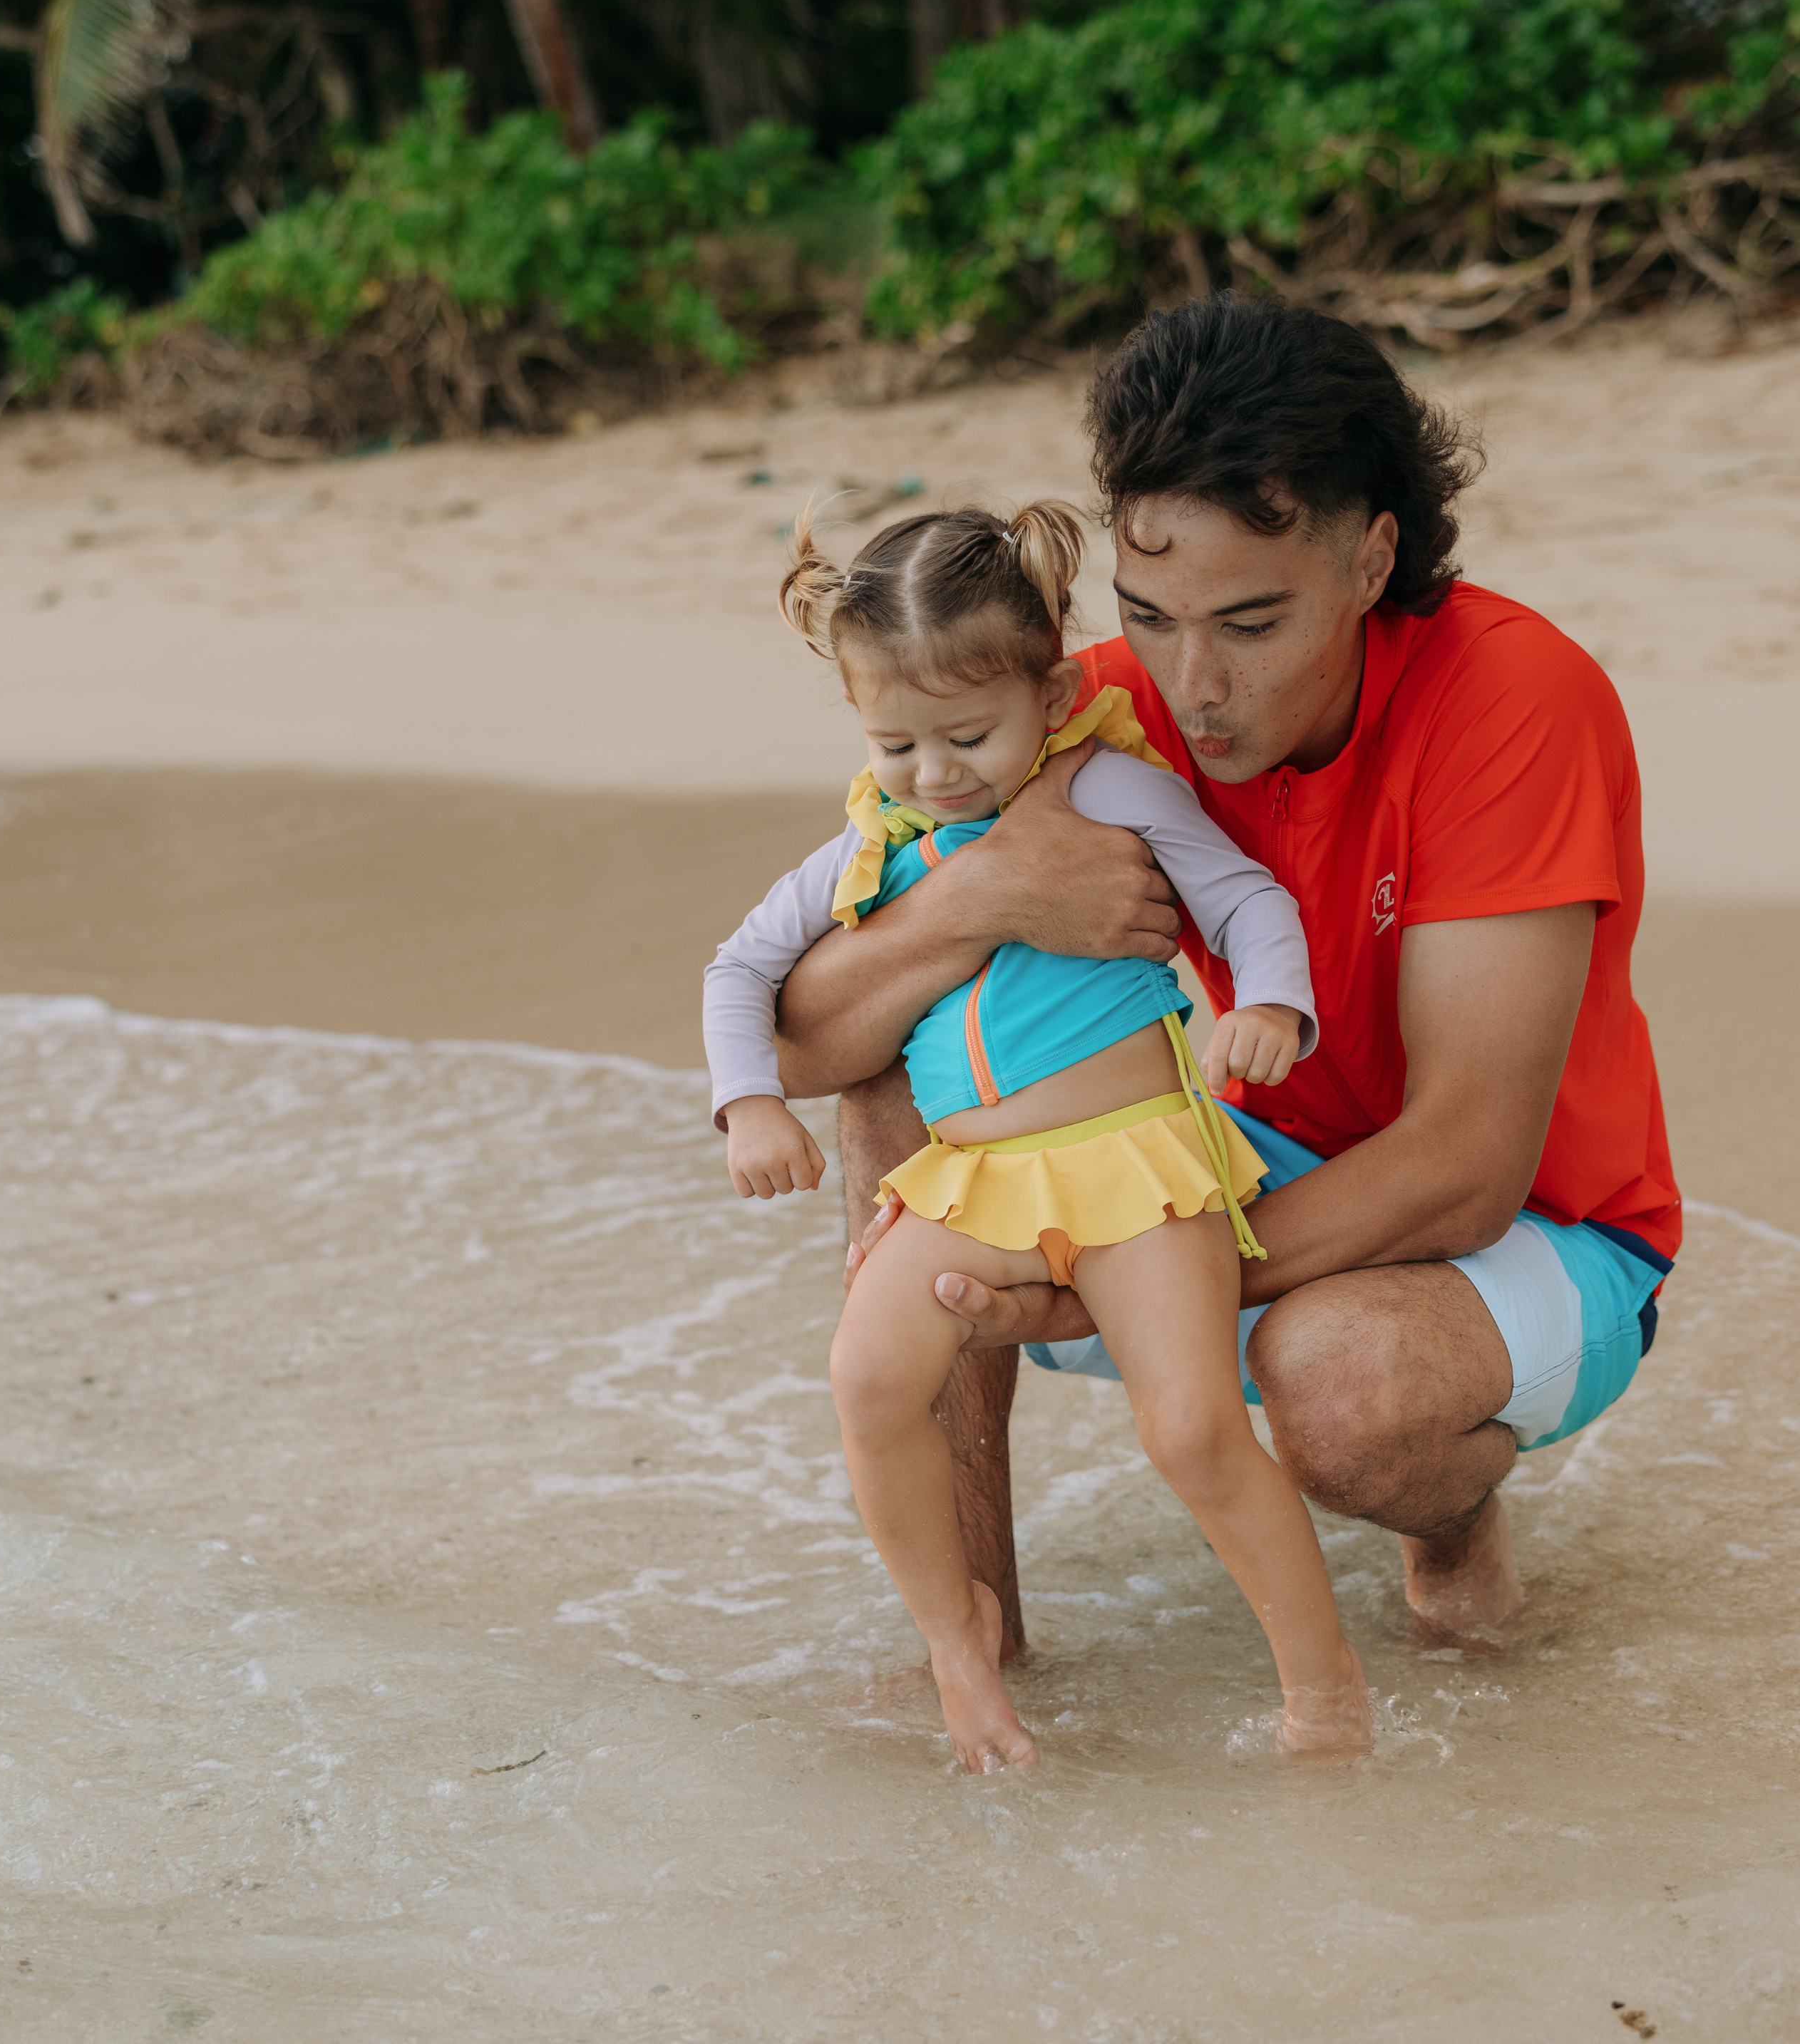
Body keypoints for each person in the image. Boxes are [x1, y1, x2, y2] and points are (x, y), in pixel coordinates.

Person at [769, 296, 1680, 1660]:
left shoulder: (1512, 700)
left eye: (1251, 622)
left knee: (1343, 1391)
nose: (1191, 687)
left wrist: (1131, 1280)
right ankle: (983, 1654)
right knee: (905, 1088)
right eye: (1150, 615)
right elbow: (809, 1045)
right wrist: (979, 893)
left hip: (1543, 1228)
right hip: (1243, 1152)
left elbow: (1468, 1162)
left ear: (1372, 559)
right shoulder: (1088, 710)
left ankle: (1453, 1505)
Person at [702, 497, 1372, 1772]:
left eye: (968, 734)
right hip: (975, 1184)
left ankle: (1321, 1685)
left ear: (1053, 688)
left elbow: (1245, 897)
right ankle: (963, 1645)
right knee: (868, 1377)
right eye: (896, 742)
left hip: (1135, 1160)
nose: (936, 773)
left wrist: (1272, 1002)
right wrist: (747, 1106)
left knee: (1189, 1427)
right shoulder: (875, 842)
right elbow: (738, 972)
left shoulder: (1105, 783)